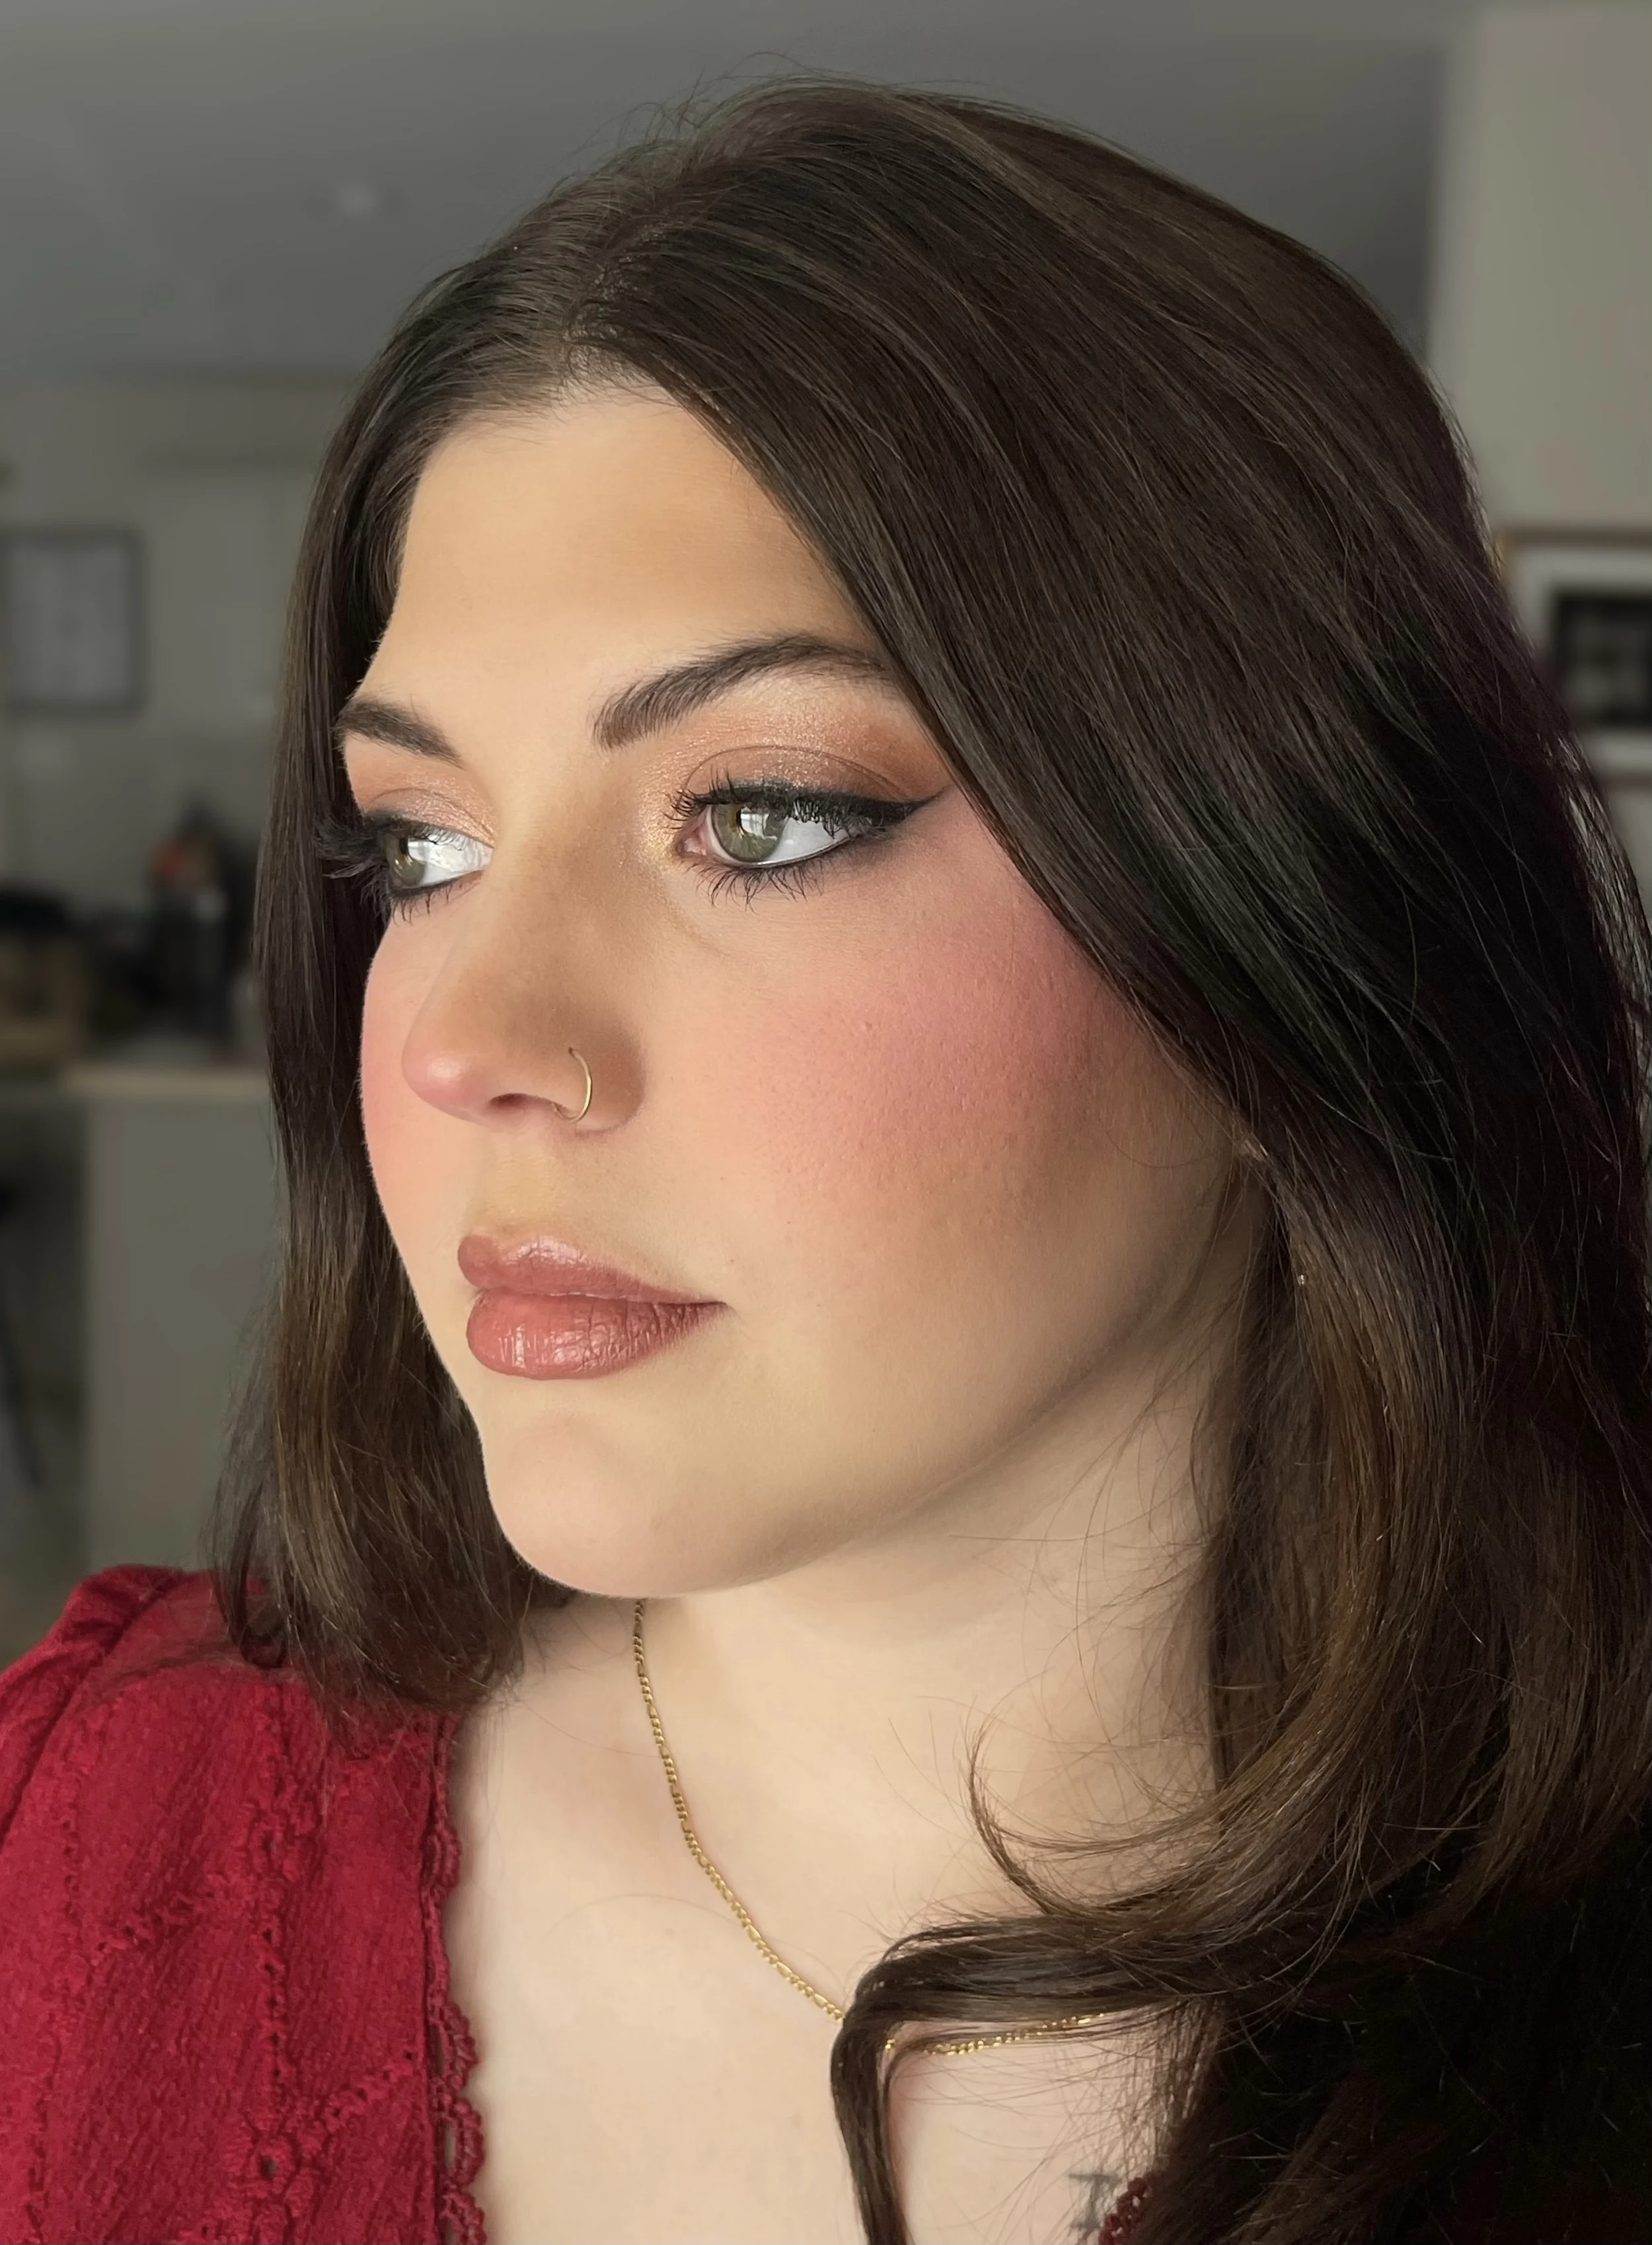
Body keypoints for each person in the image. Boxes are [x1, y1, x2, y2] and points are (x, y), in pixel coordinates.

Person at [3, 73, 1650, 2245]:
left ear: (1294, 932)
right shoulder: (83, 1844)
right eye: (420, 845)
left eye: (763, 813)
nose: (479, 1041)